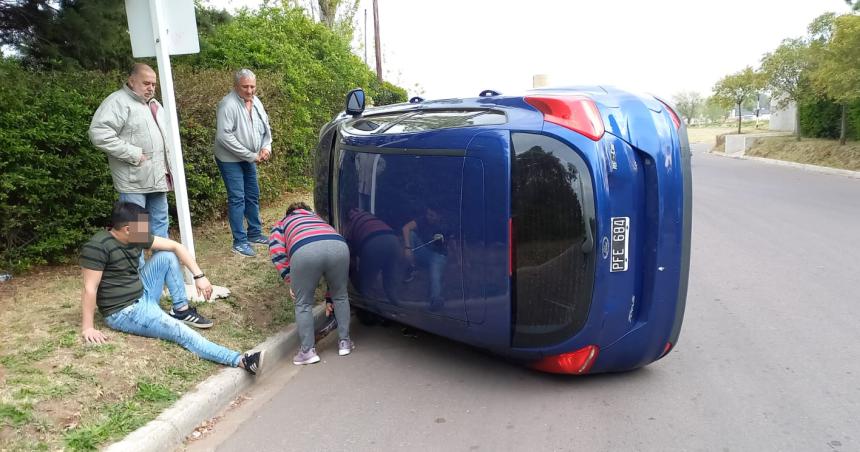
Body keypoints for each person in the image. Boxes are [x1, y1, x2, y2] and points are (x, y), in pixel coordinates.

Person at [79, 202, 263, 375]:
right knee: (181, 332)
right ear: (127, 229)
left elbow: (176, 246)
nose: (147, 230)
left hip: (142, 291)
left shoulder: (135, 236)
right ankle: (240, 360)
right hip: (125, 310)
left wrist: (200, 276)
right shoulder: (98, 247)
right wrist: (88, 328)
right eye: (142, 226)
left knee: (167, 255)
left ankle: (180, 309)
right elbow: (90, 288)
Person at [89, 63, 173, 239]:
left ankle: (164, 264)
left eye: (153, 84)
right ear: (131, 81)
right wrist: (134, 154)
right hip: (134, 182)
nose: (150, 88)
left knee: (160, 224)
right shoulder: (117, 102)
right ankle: (137, 267)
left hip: (157, 178)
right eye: (146, 83)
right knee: (137, 231)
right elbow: (99, 134)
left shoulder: (155, 105)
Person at [269, 202, 353, 365]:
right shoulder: (318, 219)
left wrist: (290, 278)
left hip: (304, 249)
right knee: (341, 295)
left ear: (288, 213)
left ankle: (307, 352)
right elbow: (327, 253)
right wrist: (330, 297)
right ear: (308, 211)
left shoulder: (282, 223)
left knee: (303, 303)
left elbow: (277, 250)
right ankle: (345, 343)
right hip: (338, 245)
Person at [214, 68, 273, 258]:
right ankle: (239, 242)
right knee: (237, 198)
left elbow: (265, 128)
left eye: (253, 86)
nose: (250, 91)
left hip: (250, 156)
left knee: (253, 194)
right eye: (245, 86)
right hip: (230, 159)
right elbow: (224, 137)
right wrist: (250, 155)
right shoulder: (227, 104)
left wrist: (266, 148)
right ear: (236, 86)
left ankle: (254, 233)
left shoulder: (256, 102)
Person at [402, 205, 450, 310]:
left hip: (438, 256)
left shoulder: (444, 225)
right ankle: (411, 267)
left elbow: (453, 243)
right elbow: (406, 228)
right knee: (411, 234)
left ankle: (435, 299)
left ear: (439, 216)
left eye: (432, 215)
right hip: (425, 252)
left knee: (435, 274)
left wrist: (461, 261)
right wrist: (407, 248)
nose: (429, 217)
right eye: (428, 214)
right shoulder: (423, 220)